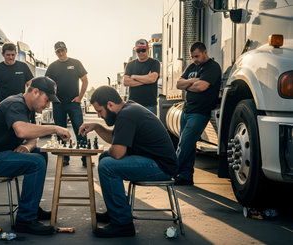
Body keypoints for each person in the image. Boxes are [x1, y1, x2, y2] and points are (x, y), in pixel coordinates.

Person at [0, 76, 71, 235]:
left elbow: (32, 138)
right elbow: (22, 130)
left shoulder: (26, 108)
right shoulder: (15, 104)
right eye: (47, 99)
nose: (48, 105)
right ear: (35, 92)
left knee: (40, 155)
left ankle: (32, 209)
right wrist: (55, 128)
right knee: (36, 163)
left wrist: (28, 147)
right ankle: (25, 220)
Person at [79, 86, 178, 238]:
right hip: (153, 161)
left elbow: (118, 153)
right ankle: (116, 212)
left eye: (100, 111)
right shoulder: (128, 109)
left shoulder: (127, 115)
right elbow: (116, 138)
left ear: (110, 105)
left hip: (161, 167)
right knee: (104, 157)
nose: (99, 116)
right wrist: (97, 127)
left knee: (107, 166)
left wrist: (113, 149)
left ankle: (122, 224)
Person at [175, 41, 222, 185]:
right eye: (192, 57)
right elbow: (178, 84)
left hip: (199, 113)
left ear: (205, 52)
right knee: (188, 147)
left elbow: (201, 87)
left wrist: (187, 84)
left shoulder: (212, 67)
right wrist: (192, 81)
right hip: (187, 110)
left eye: (197, 56)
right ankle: (186, 176)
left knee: (185, 144)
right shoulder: (193, 66)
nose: (195, 59)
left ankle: (168, 171)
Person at [45, 41, 88, 166]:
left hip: (73, 103)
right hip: (58, 104)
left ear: (66, 50)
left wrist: (80, 97)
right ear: (55, 53)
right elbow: (47, 84)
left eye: (62, 50)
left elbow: (85, 81)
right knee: (60, 130)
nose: (61, 53)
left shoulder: (76, 63)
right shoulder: (52, 66)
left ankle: (85, 158)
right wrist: (50, 99)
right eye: (58, 51)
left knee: (80, 130)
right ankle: (64, 158)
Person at [123, 39, 160, 115]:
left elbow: (152, 79)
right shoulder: (130, 65)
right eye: (138, 50)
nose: (140, 53)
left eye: (143, 50)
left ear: (148, 49)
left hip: (150, 105)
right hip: (133, 105)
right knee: (133, 127)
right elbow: (126, 82)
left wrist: (134, 76)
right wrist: (146, 79)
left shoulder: (155, 63)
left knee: (149, 127)